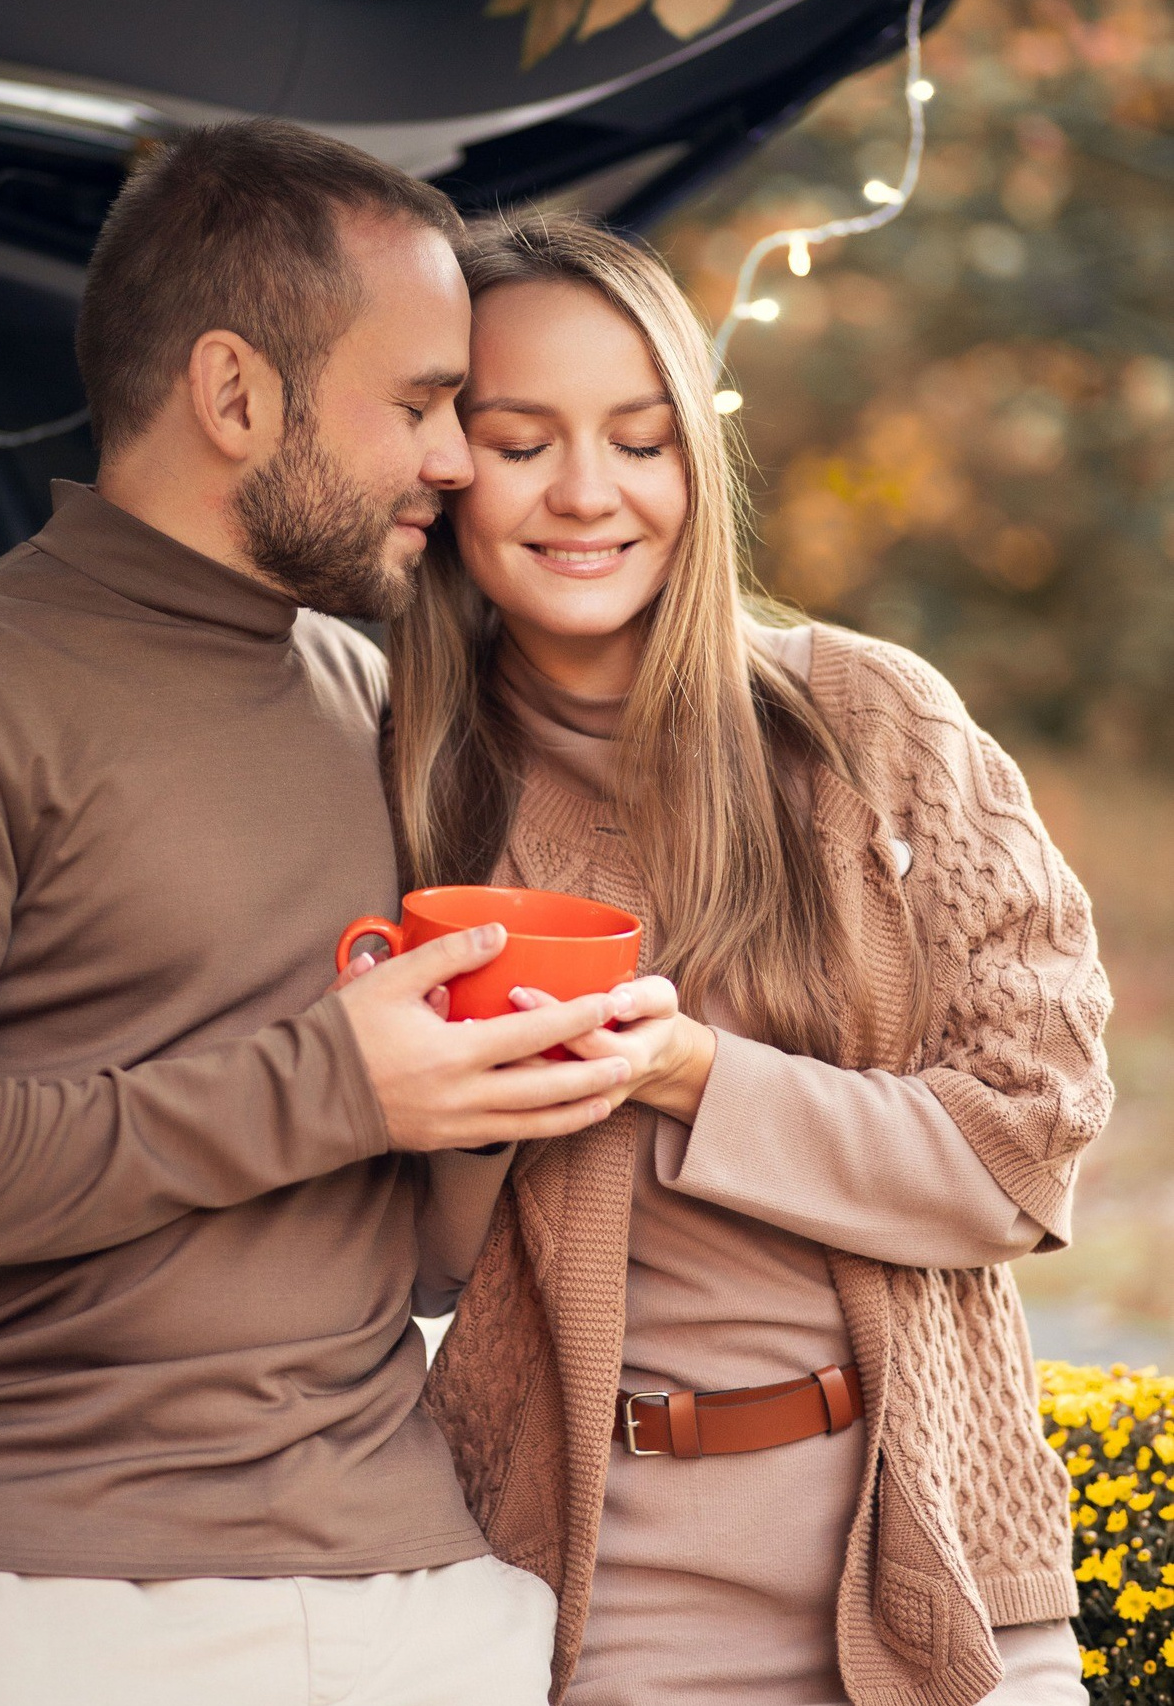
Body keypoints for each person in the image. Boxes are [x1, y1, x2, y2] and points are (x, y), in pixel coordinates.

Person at [0, 128, 641, 1706]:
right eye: (416, 404)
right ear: (236, 394)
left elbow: (391, 1258)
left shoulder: (373, 695)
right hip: (55, 1599)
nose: (458, 458)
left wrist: (485, 1103)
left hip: (419, 1592)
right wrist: (328, 1083)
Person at [385, 216, 1114, 1705]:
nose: (588, 492)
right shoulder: (399, 778)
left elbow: (1029, 1144)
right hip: (613, 1600)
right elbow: (402, 1255)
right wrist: (472, 1089)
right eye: (522, 441)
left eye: (641, 440)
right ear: (448, 465)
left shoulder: (871, 724)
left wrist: (691, 1071)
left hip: (943, 1561)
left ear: (697, 465)